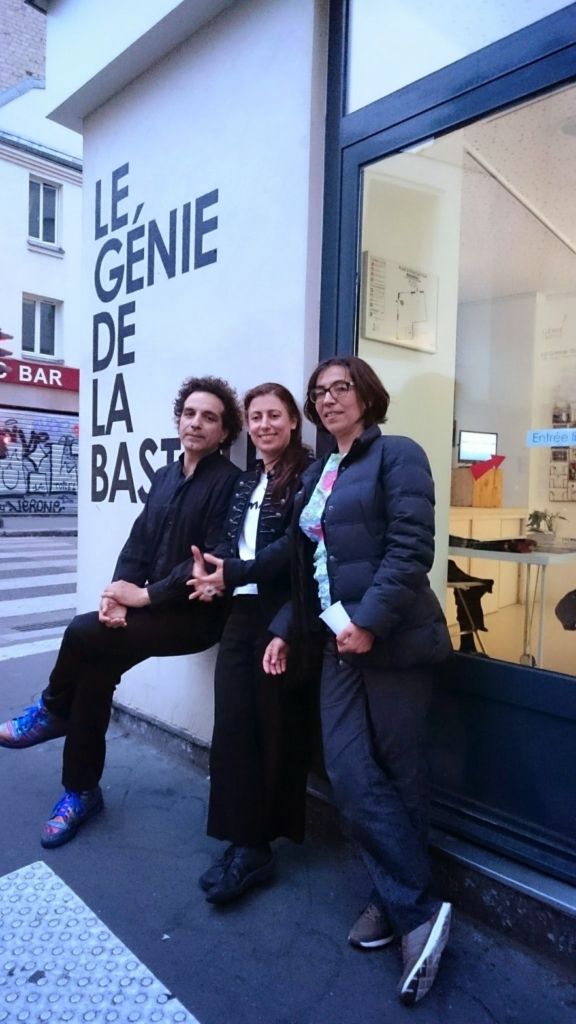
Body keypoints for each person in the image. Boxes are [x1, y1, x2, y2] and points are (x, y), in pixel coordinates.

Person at [262, 356, 453, 1007]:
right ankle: (415, 904)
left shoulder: (398, 454)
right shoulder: (321, 472)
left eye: (340, 387)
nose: (328, 399)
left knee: (401, 771)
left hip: (392, 638)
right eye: (319, 392)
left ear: (366, 395)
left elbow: (411, 547)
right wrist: (286, 628)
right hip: (336, 641)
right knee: (347, 770)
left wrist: (370, 621)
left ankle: (398, 903)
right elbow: (308, 564)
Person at [0, 376, 243, 849]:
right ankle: (81, 792)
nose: (196, 423)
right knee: (94, 671)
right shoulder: (166, 476)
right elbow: (138, 545)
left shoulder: (228, 484)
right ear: (179, 419)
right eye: (190, 413)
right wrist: (115, 595)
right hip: (149, 611)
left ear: (225, 431)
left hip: (194, 617)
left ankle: (52, 709)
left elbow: (210, 562)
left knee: (80, 632)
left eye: (209, 417)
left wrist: (144, 597)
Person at [188, 383, 313, 904]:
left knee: (273, 731)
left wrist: (284, 625)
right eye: (256, 417)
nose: (264, 425)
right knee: (233, 729)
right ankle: (242, 839)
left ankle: (258, 846)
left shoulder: (309, 474)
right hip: (240, 612)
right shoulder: (247, 479)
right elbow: (229, 542)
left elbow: (297, 553)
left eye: (274, 416)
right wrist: (209, 573)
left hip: (280, 614)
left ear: (293, 421)